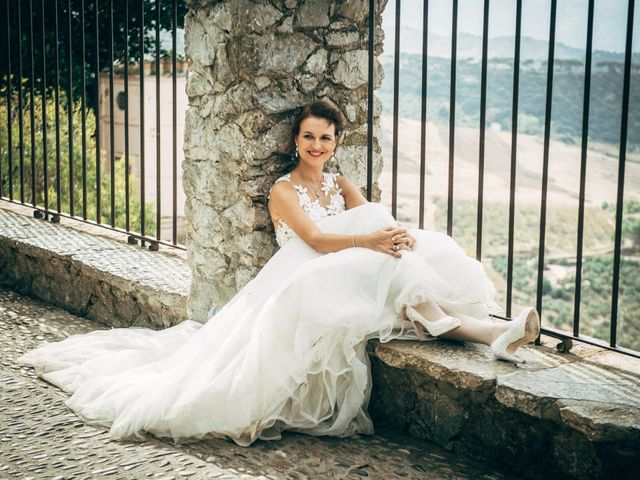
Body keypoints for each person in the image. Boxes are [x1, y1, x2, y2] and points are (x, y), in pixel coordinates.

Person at [19, 100, 540, 447]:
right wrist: (375, 239)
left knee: (404, 247)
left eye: (327, 138)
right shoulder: (283, 190)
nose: (318, 146)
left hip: (354, 264)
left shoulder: (340, 184)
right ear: (297, 140)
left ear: (337, 143)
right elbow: (315, 241)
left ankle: (493, 333)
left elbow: (372, 219)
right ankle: (492, 332)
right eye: (310, 137)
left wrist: (396, 234)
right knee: (387, 255)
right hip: (307, 271)